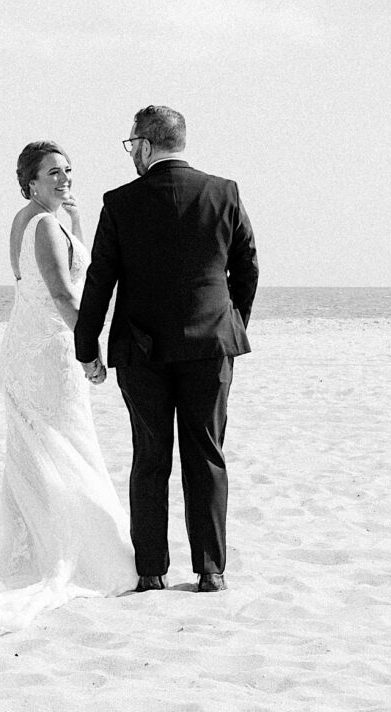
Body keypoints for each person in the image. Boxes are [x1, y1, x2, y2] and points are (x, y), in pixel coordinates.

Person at [0, 141, 135, 631]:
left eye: (68, 171)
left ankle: (42, 542)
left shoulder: (31, 218)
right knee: (64, 445)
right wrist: (90, 350)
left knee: (40, 447)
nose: (65, 179)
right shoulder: (43, 225)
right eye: (53, 174)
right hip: (48, 352)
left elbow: (50, 276)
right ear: (31, 181)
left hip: (26, 345)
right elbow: (64, 291)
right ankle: (72, 551)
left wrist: (76, 221)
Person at [75, 106, 258, 593]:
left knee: (150, 457)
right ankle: (210, 571)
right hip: (211, 346)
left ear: (146, 144)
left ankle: (152, 571)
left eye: (130, 144)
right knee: (207, 455)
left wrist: (86, 344)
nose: (130, 153)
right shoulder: (224, 192)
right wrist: (232, 322)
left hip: (142, 350)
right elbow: (247, 268)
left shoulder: (119, 202)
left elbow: (101, 279)